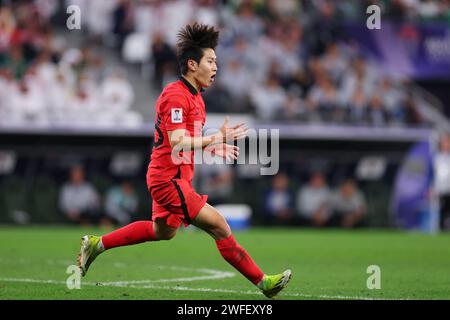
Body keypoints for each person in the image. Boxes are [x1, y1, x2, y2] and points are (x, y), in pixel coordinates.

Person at [78, 23, 291, 299]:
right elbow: (178, 141)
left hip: (173, 176)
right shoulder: (176, 95)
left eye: (216, 62)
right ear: (192, 64)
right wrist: (214, 140)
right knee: (220, 225)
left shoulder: (196, 98)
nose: (216, 67)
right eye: (211, 61)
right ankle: (264, 283)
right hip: (169, 180)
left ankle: (97, 244)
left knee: (163, 231)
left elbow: (184, 144)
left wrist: (210, 148)